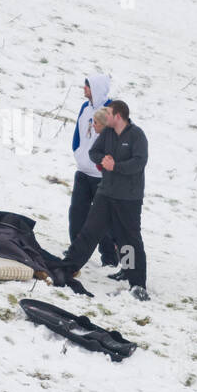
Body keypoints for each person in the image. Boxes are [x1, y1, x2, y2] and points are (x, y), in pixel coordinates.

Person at [61, 101, 149, 300]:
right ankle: (67, 268)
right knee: (89, 232)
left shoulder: (137, 135)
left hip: (128, 198)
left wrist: (115, 166)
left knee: (129, 240)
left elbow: (139, 162)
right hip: (105, 193)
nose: (104, 114)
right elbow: (94, 152)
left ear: (118, 116)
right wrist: (102, 161)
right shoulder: (107, 133)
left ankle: (137, 283)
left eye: (108, 112)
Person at [69, 74, 118, 266]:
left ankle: (110, 257)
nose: (84, 89)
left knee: (101, 220)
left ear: (96, 88)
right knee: (77, 213)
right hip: (82, 171)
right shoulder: (85, 107)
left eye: (87, 86)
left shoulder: (112, 111)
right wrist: (78, 152)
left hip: (101, 176)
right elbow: (78, 134)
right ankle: (76, 252)